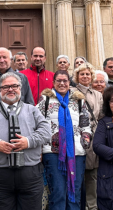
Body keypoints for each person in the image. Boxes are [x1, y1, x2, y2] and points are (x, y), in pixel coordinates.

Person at [0, 72, 51, 210]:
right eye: (6, 87)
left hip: (30, 174)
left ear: (20, 89)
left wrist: (28, 142)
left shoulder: (32, 110)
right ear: (0, 91)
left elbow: (46, 131)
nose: (10, 89)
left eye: (14, 86)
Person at [38, 71, 93, 210]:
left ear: (69, 83)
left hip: (76, 153)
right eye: (59, 80)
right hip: (52, 152)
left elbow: (86, 124)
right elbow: (37, 124)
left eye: (65, 81)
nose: (62, 83)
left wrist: (84, 141)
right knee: (58, 191)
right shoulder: (45, 101)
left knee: (74, 191)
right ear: (53, 82)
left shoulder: (79, 101)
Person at [70, 62, 103, 210]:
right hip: (76, 136)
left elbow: (101, 116)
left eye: (87, 74)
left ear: (92, 77)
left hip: (93, 137)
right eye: (82, 74)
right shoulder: (71, 91)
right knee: (76, 175)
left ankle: (92, 206)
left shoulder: (97, 94)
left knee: (92, 175)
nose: (85, 76)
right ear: (77, 76)